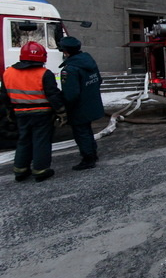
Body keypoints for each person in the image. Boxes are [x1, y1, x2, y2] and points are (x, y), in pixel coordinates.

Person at [0, 42, 66, 182]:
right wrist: (61, 112)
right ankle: (41, 170)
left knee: (23, 140)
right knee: (41, 141)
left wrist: (10, 112)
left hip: (20, 113)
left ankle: (20, 170)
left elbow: (4, 96)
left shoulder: (8, 73)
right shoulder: (44, 74)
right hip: (42, 113)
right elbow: (53, 95)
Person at [59, 36, 104, 171]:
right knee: (87, 130)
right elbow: (98, 80)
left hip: (79, 107)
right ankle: (93, 153)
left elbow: (71, 94)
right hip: (91, 103)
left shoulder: (70, 69)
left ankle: (88, 159)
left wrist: (63, 108)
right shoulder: (89, 62)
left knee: (81, 133)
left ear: (66, 52)